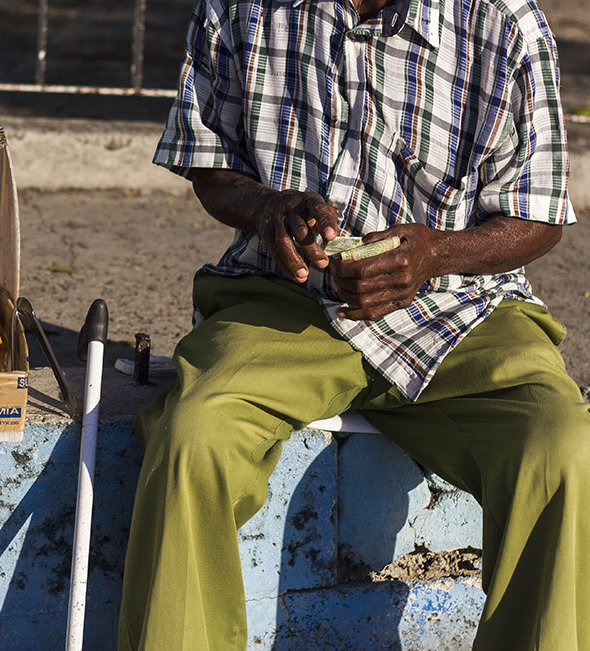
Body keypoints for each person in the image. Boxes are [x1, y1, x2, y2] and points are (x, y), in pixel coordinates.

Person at [118, 0, 588, 648]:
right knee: (192, 436)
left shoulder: (506, 21)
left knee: (559, 445)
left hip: (462, 306)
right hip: (286, 299)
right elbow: (210, 164)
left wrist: (435, 253)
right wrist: (267, 208)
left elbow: (538, 217)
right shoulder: (237, 10)